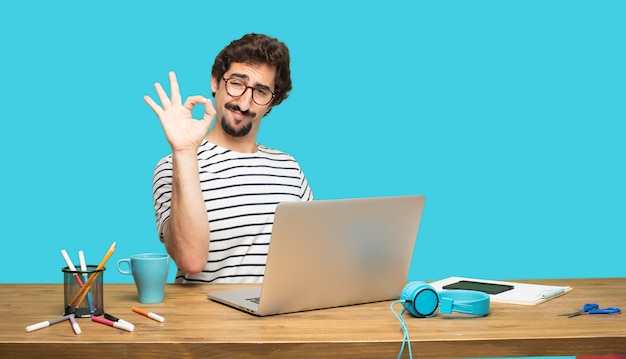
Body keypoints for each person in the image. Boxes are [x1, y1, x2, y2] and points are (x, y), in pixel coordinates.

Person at [145, 33, 314, 284]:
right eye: (237, 83)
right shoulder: (174, 165)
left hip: (278, 321)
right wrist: (184, 152)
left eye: (261, 91)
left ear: (272, 102)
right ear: (215, 82)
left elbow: (312, 256)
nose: (245, 103)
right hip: (207, 322)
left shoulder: (288, 167)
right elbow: (190, 260)